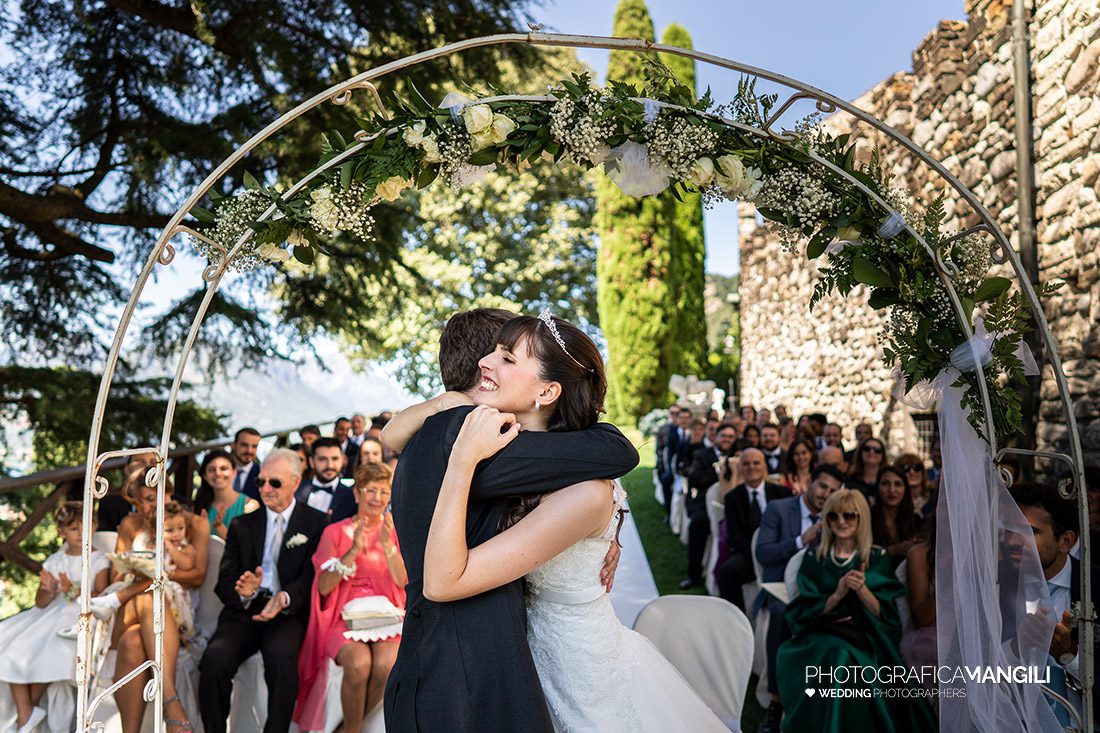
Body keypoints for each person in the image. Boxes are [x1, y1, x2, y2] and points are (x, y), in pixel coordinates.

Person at [421, 312, 728, 732]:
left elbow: (442, 583)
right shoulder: (527, 457)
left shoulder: (583, 492)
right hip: (522, 658)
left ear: (547, 391)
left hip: (579, 671)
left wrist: (460, 462)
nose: (485, 362)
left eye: (507, 358)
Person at [378, 308, 638, 732]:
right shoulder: (472, 438)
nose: (491, 364)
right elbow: (616, 451)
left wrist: (606, 527)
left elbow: (390, 435)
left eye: (508, 357)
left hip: (439, 666)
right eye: (496, 352)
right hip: (470, 682)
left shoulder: (428, 431)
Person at [776, 489, 935, 732]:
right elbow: (804, 612)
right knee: (840, 655)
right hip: (819, 637)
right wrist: (838, 594)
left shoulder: (876, 557)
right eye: (834, 516)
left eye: (849, 516)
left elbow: (887, 617)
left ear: (861, 519)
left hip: (867, 636)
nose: (841, 522)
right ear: (827, 520)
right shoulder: (813, 558)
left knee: (846, 657)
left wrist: (862, 590)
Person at [198, 449, 328, 733]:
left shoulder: (316, 523)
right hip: (243, 613)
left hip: (286, 613)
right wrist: (244, 591)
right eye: (261, 482)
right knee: (213, 661)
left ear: (295, 483)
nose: (266, 489)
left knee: (282, 661)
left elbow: (312, 576)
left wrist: (285, 597)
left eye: (275, 483)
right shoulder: (242, 524)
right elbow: (225, 580)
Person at [294, 463, 406, 733]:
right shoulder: (334, 532)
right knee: (358, 664)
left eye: (383, 491)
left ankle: (345, 729)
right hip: (342, 619)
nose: (377, 498)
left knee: (386, 665)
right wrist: (353, 549)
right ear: (356, 494)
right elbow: (323, 587)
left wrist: (389, 547)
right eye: (370, 490)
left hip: (385, 616)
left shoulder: (395, 531)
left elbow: (403, 581)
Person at [102, 471, 210, 733]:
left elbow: (196, 575)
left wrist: (162, 573)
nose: (150, 506)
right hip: (131, 606)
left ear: (169, 493)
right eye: (144, 501)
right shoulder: (131, 524)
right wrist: (138, 569)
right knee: (150, 593)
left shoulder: (193, 523)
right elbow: (116, 574)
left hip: (175, 610)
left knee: (134, 641)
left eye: (155, 498)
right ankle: (171, 703)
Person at [0, 502, 109, 733]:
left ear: (95, 526)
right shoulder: (55, 559)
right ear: (61, 532)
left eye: (85, 526)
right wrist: (47, 589)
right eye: (73, 528)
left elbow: (101, 593)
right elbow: (40, 603)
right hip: (49, 613)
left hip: (78, 613)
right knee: (10, 647)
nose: (81, 533)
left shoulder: (98, 559)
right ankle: (26, 713)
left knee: (46, 650)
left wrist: (75, 589)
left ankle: (26, 716)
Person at [753, 465, 844, 733]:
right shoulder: (779, 509)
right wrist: (798, 541)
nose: (825, 494)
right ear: (809, 483)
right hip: (779, 587)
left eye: (833, 491)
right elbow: (763, 554)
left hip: (818, 590)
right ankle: (775, 704)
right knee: (782, 615)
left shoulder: (838, 517)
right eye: (822, 486)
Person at [1011, 482, 1097, 726]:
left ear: (1066, 541)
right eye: (1011, 530)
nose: (1016, 541)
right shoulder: (995, 589)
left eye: (1030, 532)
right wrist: (1016, 649)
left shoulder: (1094, 586)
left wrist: (1070, 654)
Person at [716, 448, 791, 610]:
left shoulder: (783, 493)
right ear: (740, 468)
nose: (751, 467)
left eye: (756, 463)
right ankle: (736, 624)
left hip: (780, 554)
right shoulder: (733, 498)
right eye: (746, 463)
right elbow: (735, 536)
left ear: (764, 466)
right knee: (728, 572)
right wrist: (759, 553)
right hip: (749, 554)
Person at [679, 422, 737, 589]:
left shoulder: (740, 456)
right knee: (697, 524)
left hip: (733, 505)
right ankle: (693, 574)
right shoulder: (702, 455)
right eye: (724, 436)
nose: (727, 440)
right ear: (715, 437)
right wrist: (719, 470)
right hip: (705, 503)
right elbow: (694, 478)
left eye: (731, 437)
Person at [193, 449, 258, 541]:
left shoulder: (249, 505)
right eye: (212, 470)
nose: (218, 473)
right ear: (205, 476)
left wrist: (224, 533)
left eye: (224, 468)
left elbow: (251, 548)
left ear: (234, 472)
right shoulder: (200, 505)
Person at [871, 465, 921, 568]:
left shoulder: (916, 521)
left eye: (898, 484)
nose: (892, 490)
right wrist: (893, 550)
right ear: (877, 487)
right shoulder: (867, 519)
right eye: (885, 484)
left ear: (905, 489)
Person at [296, 438, 356, 522]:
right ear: (312, 462)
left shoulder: (352, 497)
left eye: (335, 459)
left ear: (342, 460)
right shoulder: (296, 490)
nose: (329, 465)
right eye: (322, 459)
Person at [230, 427, 262, 501]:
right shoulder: (219, 472)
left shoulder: (262, 475)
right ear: (233, 445)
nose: (249, 451)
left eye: (254, 446)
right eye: (244, 445)